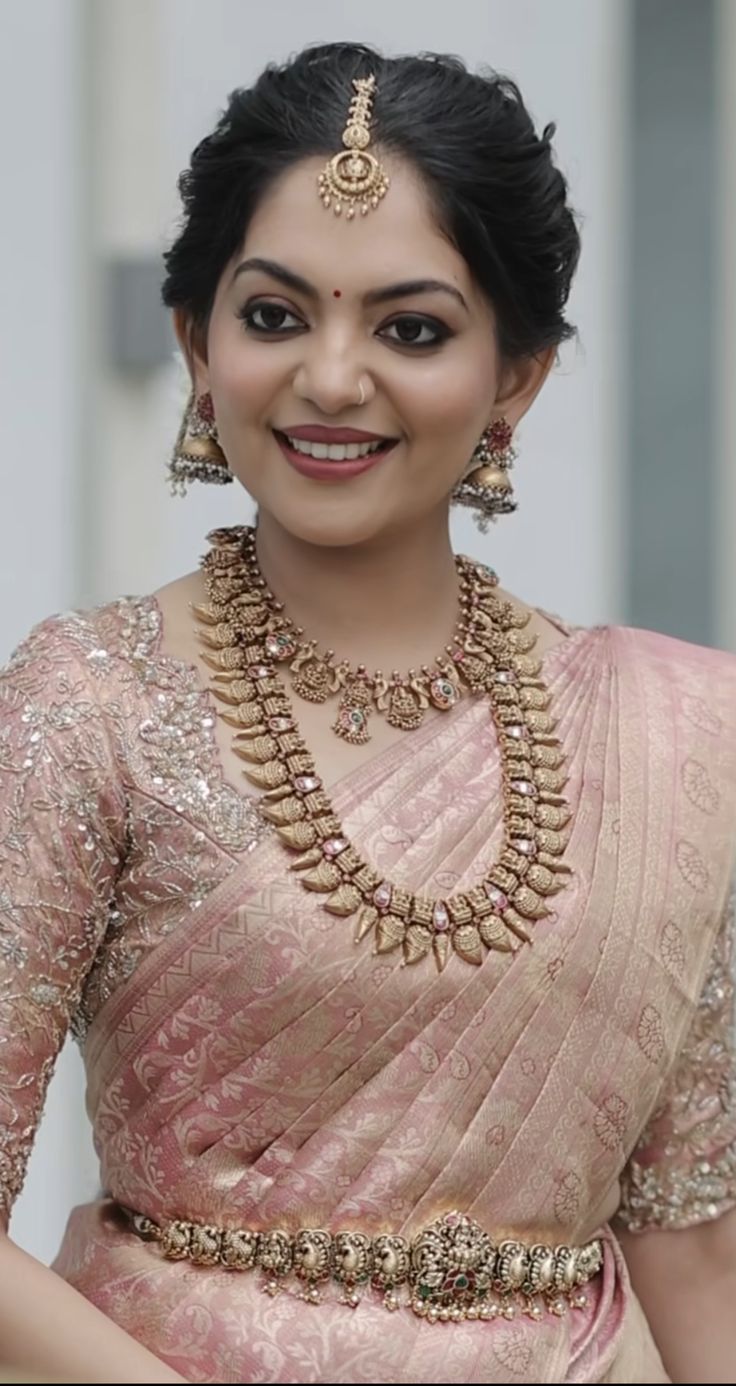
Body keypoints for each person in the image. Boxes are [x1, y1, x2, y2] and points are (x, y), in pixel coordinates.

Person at [0, 39, 734, 1386]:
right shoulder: (87, 703)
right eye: (275, 314)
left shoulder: (672, 739)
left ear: (516, 377)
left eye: (412, 328)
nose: (332, 380)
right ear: (193, 345)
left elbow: (694, 1239)